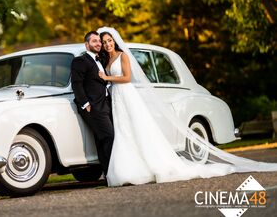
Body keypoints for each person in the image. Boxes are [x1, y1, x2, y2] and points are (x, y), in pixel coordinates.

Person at [96, 27, 277, 187]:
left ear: (114, 41)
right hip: (117, 98)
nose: (107, 44)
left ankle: (147, 168)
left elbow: (127, 78)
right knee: (124, 131)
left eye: (109, 40)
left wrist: (107, 78)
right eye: (104, 42)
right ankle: (128, 169)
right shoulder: (108, 60)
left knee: (136, 129)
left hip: (127, 94)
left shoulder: (123, 56)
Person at [70, 31, 115, 177]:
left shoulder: (100, 59)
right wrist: (85, 104)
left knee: (102, 140)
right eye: (94, 41)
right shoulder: (80, 61)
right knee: (109, 136)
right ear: (86, 44)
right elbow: (76, 84)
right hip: (93, 107)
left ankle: (108, 176)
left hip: (106, 104)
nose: (98, 44)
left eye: (99, 42)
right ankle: (111, 173)